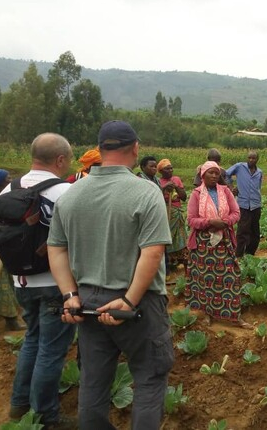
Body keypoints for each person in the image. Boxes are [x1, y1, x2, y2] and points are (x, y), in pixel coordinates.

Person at [47, 120, 174, 430]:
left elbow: (56, 249)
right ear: (135, 149)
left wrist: (70, 296)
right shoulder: (146, 192)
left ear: (100, 150)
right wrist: (128, 302)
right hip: (137, 305)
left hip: (87, 304)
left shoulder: (72, 195)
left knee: (93, 383)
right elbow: (153, 251)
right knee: (149, 378)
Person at [4, 134, 76, 429]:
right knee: (52, 348)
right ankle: (47, 414)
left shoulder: (10, 188)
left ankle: (19, 404)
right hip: (54, 283)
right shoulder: (65, 192)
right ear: (60, 160)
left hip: (20, 281)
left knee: (32, 339)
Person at [185, 161, 251, 328]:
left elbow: (236, 212)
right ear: (203, 175)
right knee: (206, 280)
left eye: (217, 173)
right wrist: (209, 222)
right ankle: (208, 314)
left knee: (231, 276)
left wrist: (225, 222)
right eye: (210, 173)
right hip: (203, 244)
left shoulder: (226, 191)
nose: (214, 176)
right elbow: (192, 219)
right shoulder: (196, 194)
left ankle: (235, 315)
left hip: (224, 240)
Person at [0, 169, 25, 331]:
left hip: (4, 251)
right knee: (3, 286)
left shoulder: (4, 200)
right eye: (7, 178)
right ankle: (11, 320)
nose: (11, 180)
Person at [225, 151, 263, 257]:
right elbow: (226, 174)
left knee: (255, 231)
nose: (251, 160)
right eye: (249, 158)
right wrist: (231, 187)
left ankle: (250, 253)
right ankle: (239, 254)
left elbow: (258, 188)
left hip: (256, 204)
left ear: (257, 159)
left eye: (253, 158)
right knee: (242, 230)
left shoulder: (259, 172)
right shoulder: (239, 167)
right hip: (243, 204)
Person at [158, 158, 188, 270]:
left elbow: (184, 197)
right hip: (166, 211)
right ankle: (169, 262)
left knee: (180, 236)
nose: (170, 170)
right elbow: (155, 197)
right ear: (160, 171)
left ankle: (182, 261)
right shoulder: (158, 182)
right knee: (168, 236)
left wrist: (175, 186)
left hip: (177, 211)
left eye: (171, 168)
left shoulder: (176, 179)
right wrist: (164, 188)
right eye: (167, 169)